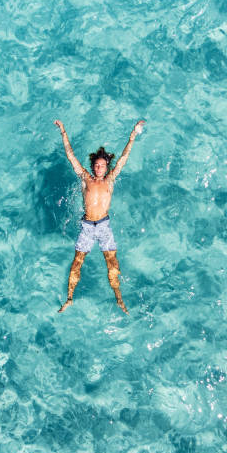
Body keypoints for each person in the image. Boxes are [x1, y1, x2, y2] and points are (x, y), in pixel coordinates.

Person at [54, 119, 146, 314]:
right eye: (96, 165)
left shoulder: (110, 180)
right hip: (87, 226)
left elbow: (124, 157)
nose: (98, 169)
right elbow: (70, 156)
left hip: (104, 226)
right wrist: (63, 131)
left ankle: (119, 299)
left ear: (106, 167)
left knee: (112, 264)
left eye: (102, 166)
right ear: (92, 166)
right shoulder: (85, 179)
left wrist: (133, 135)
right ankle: (69, 298)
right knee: (76, 263)